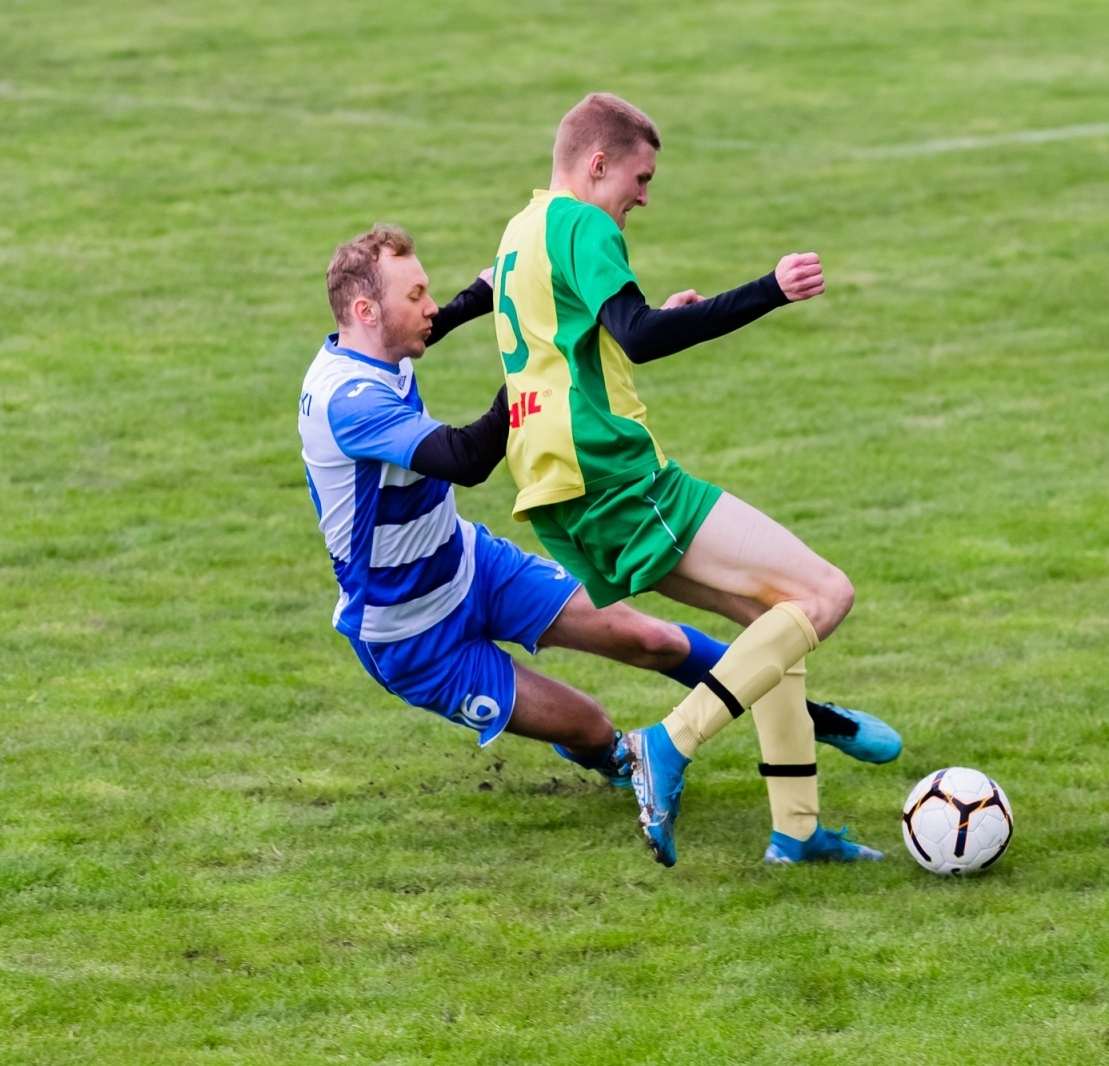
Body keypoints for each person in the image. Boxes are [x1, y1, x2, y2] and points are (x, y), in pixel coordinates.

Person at [297, 223, 899, 796]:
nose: (431, 307)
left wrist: (495, 290)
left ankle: (808, 715)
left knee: (652, 639)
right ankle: (623, 764)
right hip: (411, 635)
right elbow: (464, 457)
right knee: (588, 723)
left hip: (470, 565)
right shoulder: (349, 403)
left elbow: (444, 321)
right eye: (417, 294)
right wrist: (545, 368)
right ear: (366, 313)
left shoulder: (377, 346)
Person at [491, 93, 887, 866]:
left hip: (557, 488)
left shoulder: (522, 231)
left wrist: (658, 315)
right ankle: (668, 746)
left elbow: (582, 343)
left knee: (775, 622)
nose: (643, 195)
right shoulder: (583, 221)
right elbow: (638, 336)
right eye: (638, 177)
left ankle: (797, 832)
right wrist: (769, 289)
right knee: (824, 595)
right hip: (615, 477)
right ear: (596, 163)